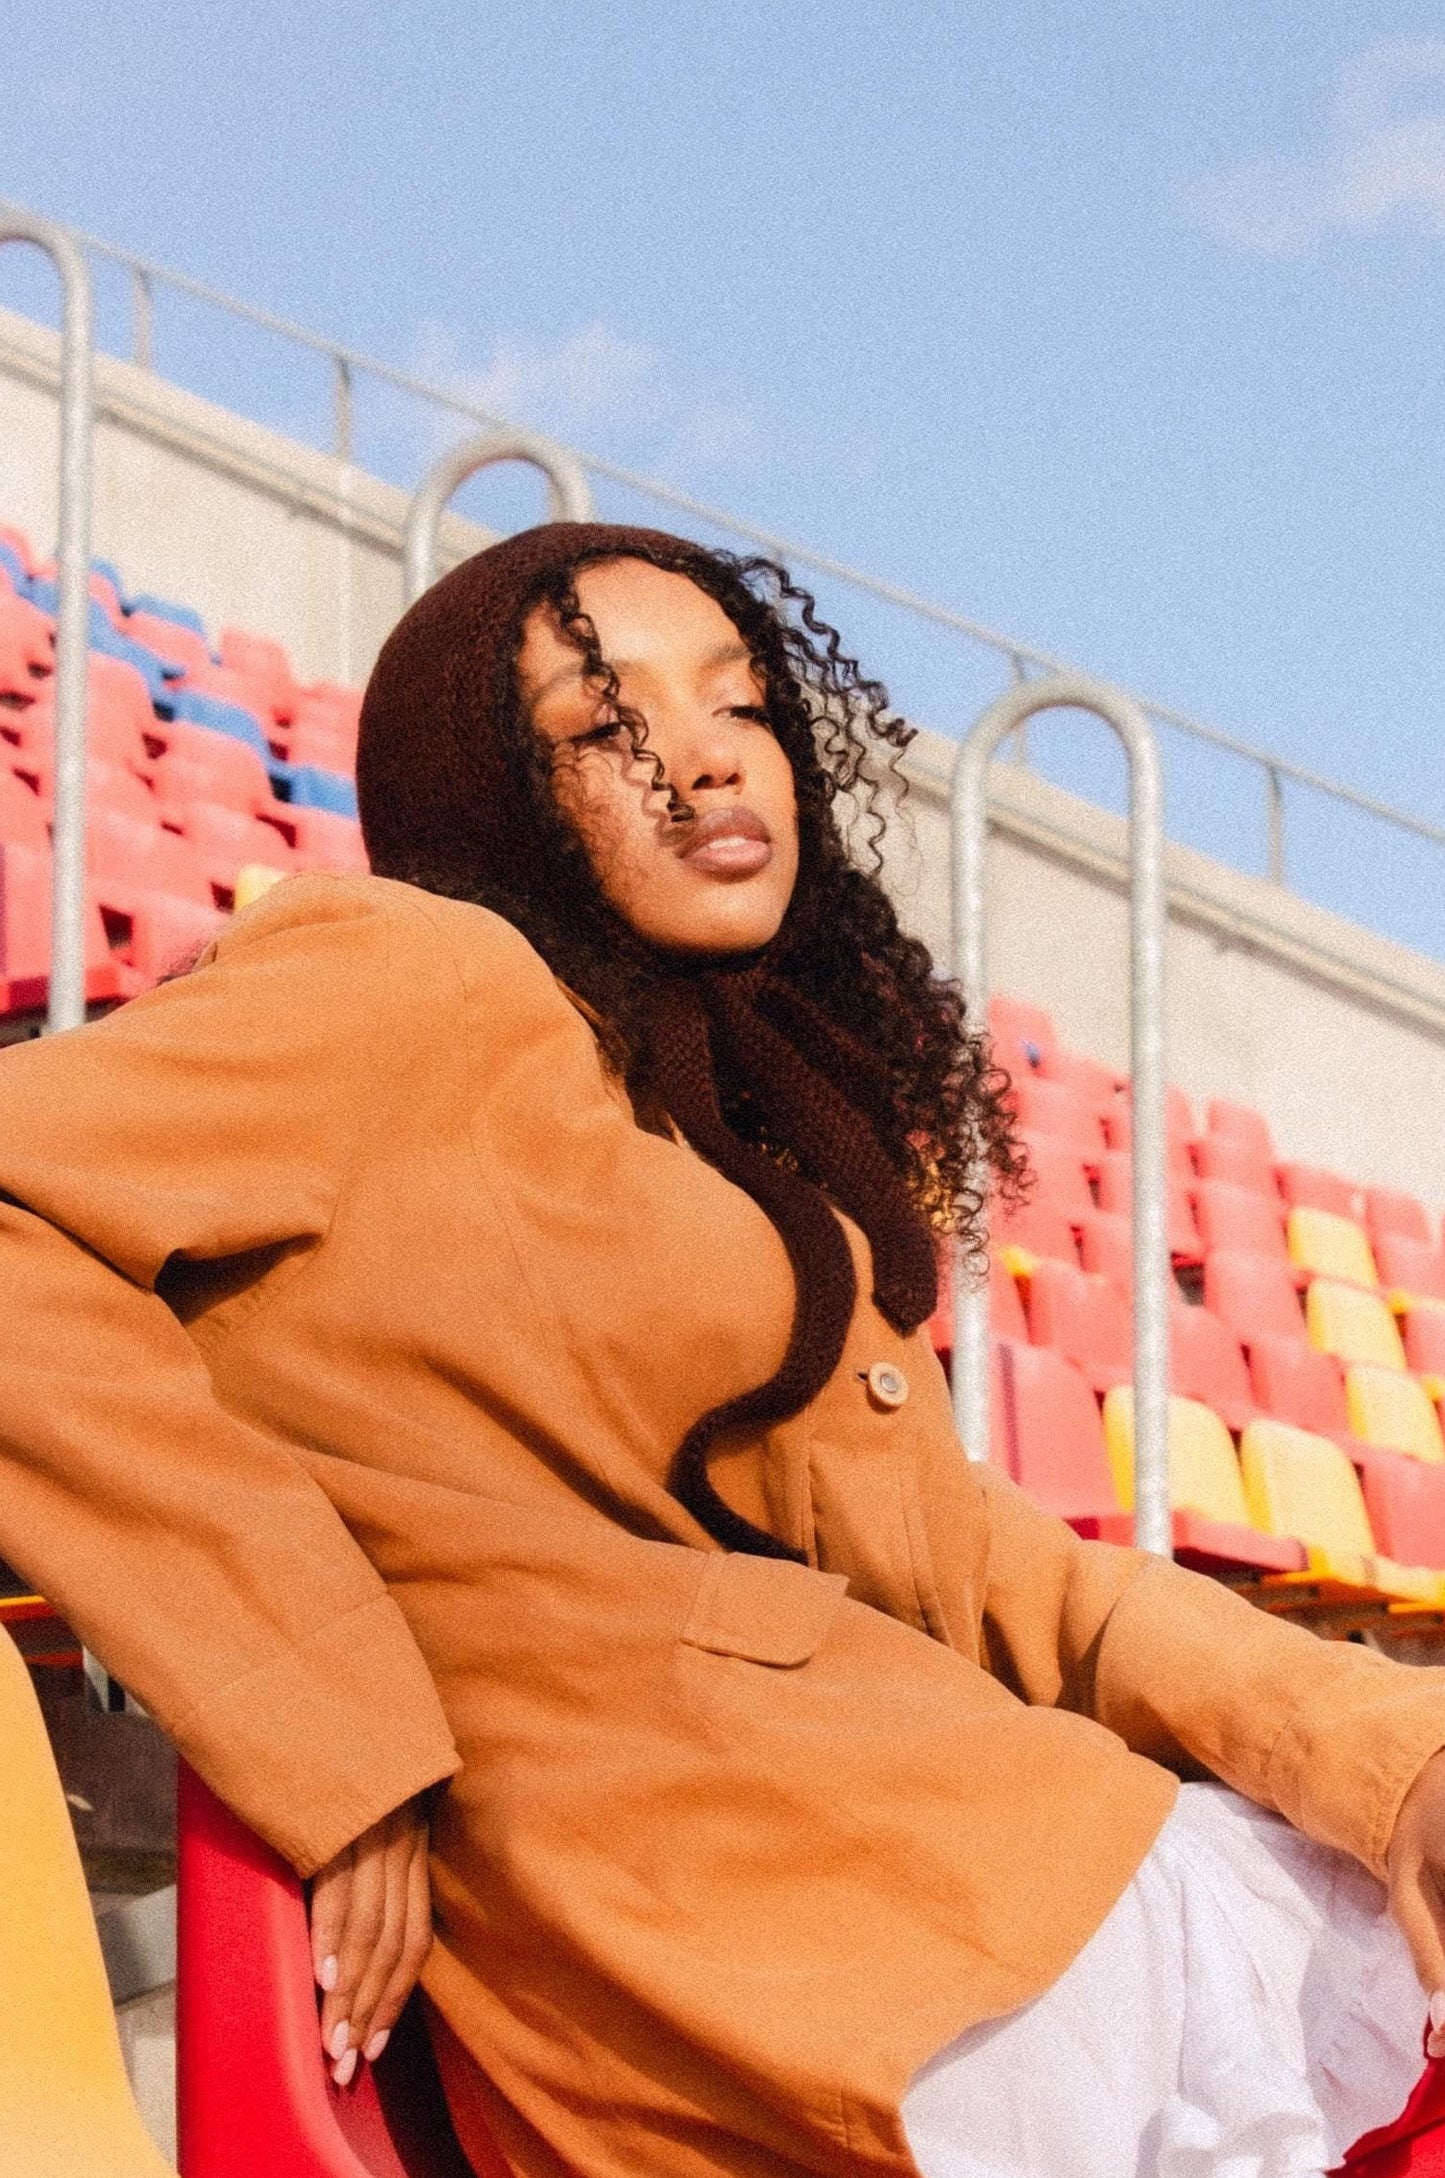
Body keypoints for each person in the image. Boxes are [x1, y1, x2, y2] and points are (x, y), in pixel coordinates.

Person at [0, 521, 1444, 2178]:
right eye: (603, 728)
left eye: (739, 706)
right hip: (800, 1927)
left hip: (948, 1883)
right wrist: (327, 1720)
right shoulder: (417, 976)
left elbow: (1018, 1582)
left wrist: (1387, 1756)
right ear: (481, 784)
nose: (699, 765)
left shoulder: (732, 1168)